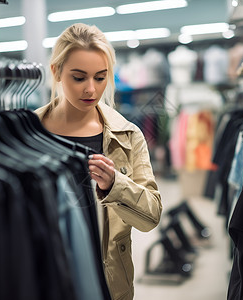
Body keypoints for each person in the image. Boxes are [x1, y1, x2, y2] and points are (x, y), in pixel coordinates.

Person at [34, 23, 162, 300]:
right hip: (45, 274)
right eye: (79, 78)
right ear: (56, 72)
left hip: (109, 281)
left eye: (100, 77)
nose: (91, 89)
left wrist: (116, 185)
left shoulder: (127, 135)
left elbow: (151, 216)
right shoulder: (28, 132)